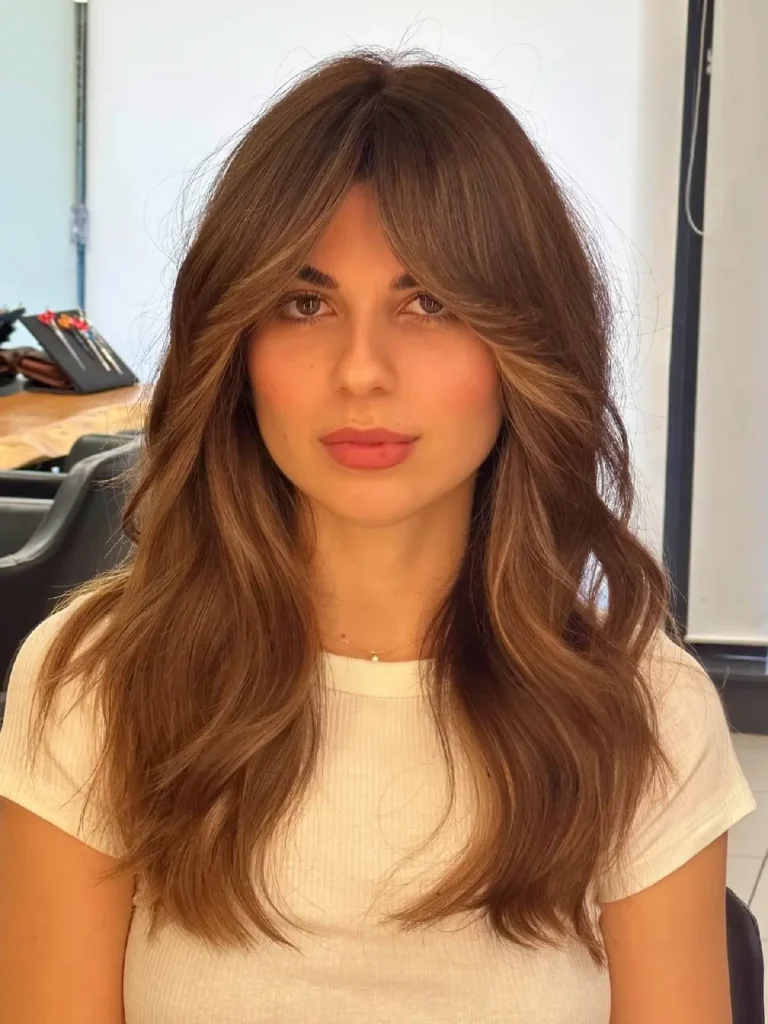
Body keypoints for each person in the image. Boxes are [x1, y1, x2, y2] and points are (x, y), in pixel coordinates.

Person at [0, 50, 755, 1024]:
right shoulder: (97, 683)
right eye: (305, 304)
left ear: (525, 346)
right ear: (235, 347)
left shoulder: (641, 714)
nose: (363, 370)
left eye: (430, 303)